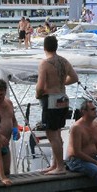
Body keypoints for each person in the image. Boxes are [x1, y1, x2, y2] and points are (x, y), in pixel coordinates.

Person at [36, 35, 79, 175]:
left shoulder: (45, 63)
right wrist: (61, 84)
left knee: (51, 134)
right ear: (56, 46)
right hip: (63, 99)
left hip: (52, 100)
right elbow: (74, 77)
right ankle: (55, 164)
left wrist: (38, 94)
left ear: (44, 47)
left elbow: (40, 85)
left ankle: (60, 167)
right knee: (58, 133)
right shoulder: (64, 61)